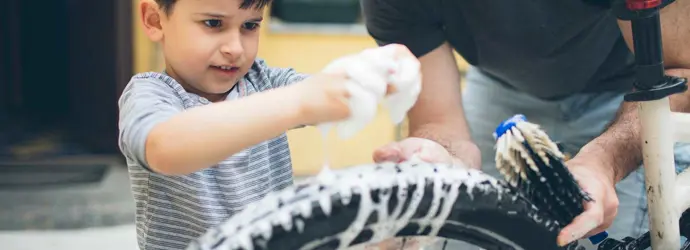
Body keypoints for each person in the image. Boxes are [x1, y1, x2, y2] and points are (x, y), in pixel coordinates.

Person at [362, 0, 690, 248]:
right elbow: (439, 122)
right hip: (500, 92)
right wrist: (434, 155)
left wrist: (603, 162)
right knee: (459, 230)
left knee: (609, 231)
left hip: (630, 94)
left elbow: (680, 70)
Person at [117, 0, 421, 249]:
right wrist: (298, 102)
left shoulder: (263, 81)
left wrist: (380, 74)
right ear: (155, 20)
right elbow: (165, 148)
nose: (235, 47)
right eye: (213, 24)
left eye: (250, 25)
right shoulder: (150, 94)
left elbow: (327, 93)